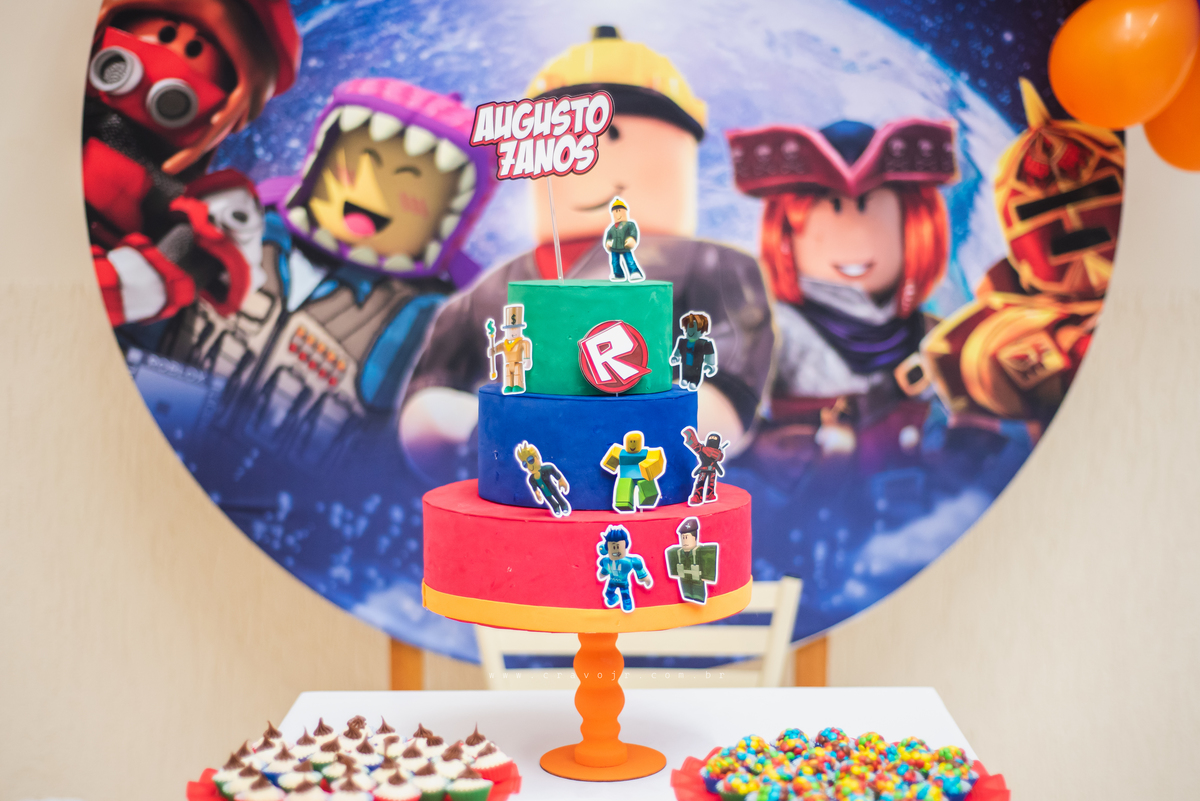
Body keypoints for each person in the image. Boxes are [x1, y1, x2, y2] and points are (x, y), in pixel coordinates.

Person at [400, 26, 775, 484]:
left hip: (640, 479)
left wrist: (590, 435)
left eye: (609, 136)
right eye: (560, 145)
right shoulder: (487, 292)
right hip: (514, 483)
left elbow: (730, 393)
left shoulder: (712, 266)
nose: (583, 162)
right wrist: (483, 427)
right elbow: (429, 399)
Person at [154, 78, 498, 465]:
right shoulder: (237, 226)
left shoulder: (424, 319)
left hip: (277, 488)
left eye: (409, 187)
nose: (372, 193)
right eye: (359, 165)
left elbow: (423, 435)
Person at [727, 117, 957, 478]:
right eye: (833, 209)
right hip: (811, 495)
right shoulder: (775, 328)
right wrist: (759, 450)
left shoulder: (932, 334)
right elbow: (721, 411)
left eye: (869, 211)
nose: (855, 238)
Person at [920, 79, 1124, 435]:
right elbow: (984, 360)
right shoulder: (1007, 314)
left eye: (1096, 192)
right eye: (1040, 211)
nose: (1071, 220)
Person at [84, 0, 300, 328]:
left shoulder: (187, 210)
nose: (166, 56)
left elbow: (151, 280)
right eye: (165, 33)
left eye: (194, 50)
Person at [596, 526, 652, 613]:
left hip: (624, 584)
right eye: (612, 547)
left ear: (625, 546)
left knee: (626, 599)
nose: (615, 550)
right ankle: (614, 599)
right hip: (612, 582)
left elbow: (640, 571)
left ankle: (628, 610)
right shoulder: (606, 561)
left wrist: (645, 579)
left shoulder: (631, 562)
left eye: (618, 546)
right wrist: (602, 574)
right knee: (608, 594)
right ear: (607, 548)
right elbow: (606, 569)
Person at [664, 517, 719, 604]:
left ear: (695, 538)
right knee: (686, 595)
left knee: (698, 596)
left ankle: (698, 598)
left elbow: (708, 562)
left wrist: (707, 576)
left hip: (697, 580)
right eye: (683, 538)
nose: (684, 541)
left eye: (687, 537)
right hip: (684, 580)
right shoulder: (677, 552)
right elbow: (673, 565)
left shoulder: (702, 552)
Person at [514, 441, 570, 517]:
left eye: (530, 460)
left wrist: (561, 480)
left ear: (537, 457)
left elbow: (553, 471)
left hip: (552, 488)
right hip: (544, 492)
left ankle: (563, 506)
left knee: (557, 496)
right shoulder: (531, 479)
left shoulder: (546, 469)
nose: (529, 466)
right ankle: (556, 508)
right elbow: (534, 487)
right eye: (525, 464)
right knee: (550, 500)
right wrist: (537, 493)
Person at [670, 311, 717, 391]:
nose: (690, 332)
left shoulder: (704, 343)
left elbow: (709, 354)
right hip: (685, 366)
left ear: (701, 331)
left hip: (696, 367)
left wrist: (710, 365)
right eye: (688, 329)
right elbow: (678, 350)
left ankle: (694, 382)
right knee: (685, 376)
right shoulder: (682, 341)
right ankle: (685, 379)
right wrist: (675, 357)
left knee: (695, 376)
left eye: (694, 330)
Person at [603, 198, 643, 281]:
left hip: (625, 246)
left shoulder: (629, 224)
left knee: (630, 260)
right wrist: (608, 243)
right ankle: (618, 274)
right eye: (615, 211)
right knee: (615, 262)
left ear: (624, 211)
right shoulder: (612, 228)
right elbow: (608, 237)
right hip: (614, 248)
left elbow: (633, 232)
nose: (617, 214)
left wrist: (632, 239)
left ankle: (634, 272)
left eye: (619, 211)